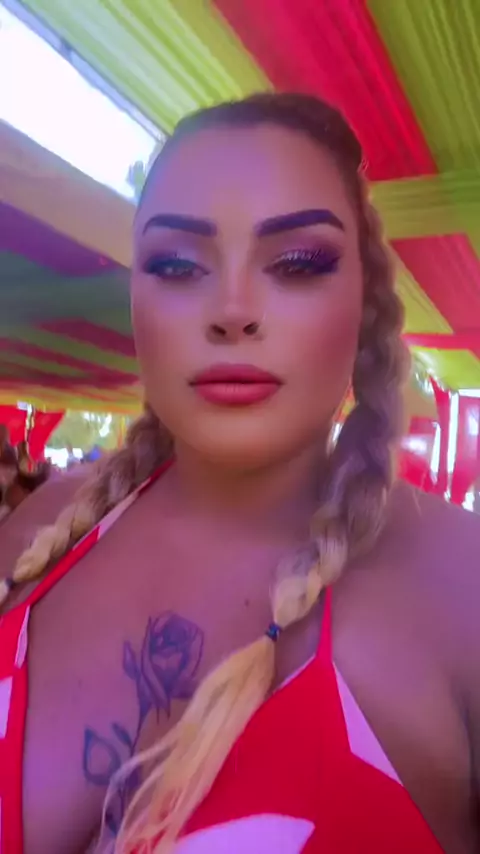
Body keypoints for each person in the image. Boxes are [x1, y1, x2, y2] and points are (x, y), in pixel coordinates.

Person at [0, 94, 478, 854]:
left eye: (297, 263)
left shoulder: (463, 593)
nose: (231, 310)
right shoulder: (37, 533)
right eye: (177, 264)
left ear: (366, 301)